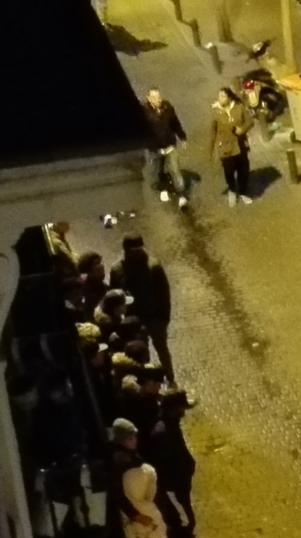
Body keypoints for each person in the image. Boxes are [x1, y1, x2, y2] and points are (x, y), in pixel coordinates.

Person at [114, 418, 178, 538]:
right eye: (130, 438)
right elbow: (120, 495)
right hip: (139, 519)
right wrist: (135, 515)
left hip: (142, 515)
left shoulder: (128, 457)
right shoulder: (120, 462)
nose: (134, 440)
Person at [145, 389, 205, 538]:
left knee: (184, 520)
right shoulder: (163, 433)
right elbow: (165, 465)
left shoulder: (168, 426)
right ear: (173, 409)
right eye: (181, 408)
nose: (183, 412)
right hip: (173, 487)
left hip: (178, 485)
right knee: (184, 522)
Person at [110, 232, 177, 387]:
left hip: (155, 317)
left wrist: (164, 318)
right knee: (139, 352)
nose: (137, 253)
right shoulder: (117, 269)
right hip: (133, 320)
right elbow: (115, 295)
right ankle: (146, 382)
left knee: (162, 349)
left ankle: (170, 379)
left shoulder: (153, 266)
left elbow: (163, 294)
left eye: (139, 249)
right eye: (133, 250)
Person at [142, 87, 189, 207]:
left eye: (159, 97)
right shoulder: (144, 111)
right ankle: (163, 188)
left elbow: (175, 123)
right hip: (155, 149)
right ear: (149, 98)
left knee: (175, 170)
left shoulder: (167, 107)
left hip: (170, 145)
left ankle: (181, 195)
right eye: (154, 97)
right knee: (158, 170)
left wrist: (182, 137)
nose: (158, 100)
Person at [210, 87, 254, 206]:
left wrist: (242, 129)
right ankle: (232, 190)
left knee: (243, 170)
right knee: (229, 172)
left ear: (229, 98)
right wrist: (211, 151)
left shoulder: (239, 107)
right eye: (219, 96)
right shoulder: (216, 112)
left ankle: (243, 192)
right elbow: (213, 132)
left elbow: (250, 121)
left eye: (223, 96)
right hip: (225, 148)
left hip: (240, 146)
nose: (220, 99)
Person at [78, 252, 109, 320]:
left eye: (100, 262)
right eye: (96, 263)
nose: (101, 265)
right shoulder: (87, 292)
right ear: (88, 270)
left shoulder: (104, 286)